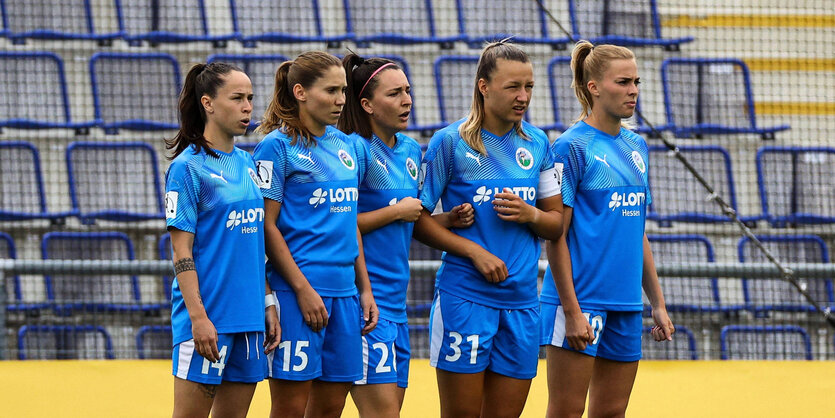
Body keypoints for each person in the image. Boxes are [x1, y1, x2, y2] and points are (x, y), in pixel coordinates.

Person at [417, 41, 564, 417]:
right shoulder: (450, 142)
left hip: (522, 304)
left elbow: (555, 223)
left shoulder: (537, 142)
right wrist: (474, 251)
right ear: (483, 86)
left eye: (529, 86)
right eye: (513, 87)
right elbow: (417, 220)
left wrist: (530, 214)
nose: (523, 96)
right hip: (465, 299)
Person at [539, 41, 675, 418]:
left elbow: (636, 231)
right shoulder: (571, 146)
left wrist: (657, 304)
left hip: (626, 305)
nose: (633, 90)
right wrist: (571, 311)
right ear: (594, 87)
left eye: (636, 81)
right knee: (566, 411)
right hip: (581, 302)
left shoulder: (637, 145)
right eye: (623, 82)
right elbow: (557, 234)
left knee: (612, 412)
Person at [337, 53, 474, 417]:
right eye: (395, 93)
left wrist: (446, 221)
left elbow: (408, 223)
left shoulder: (412, 150)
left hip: (396, 306)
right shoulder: (353, 149)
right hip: (364, 302)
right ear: (366, 104)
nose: (407, 100)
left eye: (408, 91)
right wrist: (398, 210)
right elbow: (341, 224)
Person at [252, 51, 379, 418]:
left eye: (343, 91)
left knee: (331, 407)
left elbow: (348, 222)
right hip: (298, 293)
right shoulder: (276, 147)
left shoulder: (348, 145)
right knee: (290, 408)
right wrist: (302, 290)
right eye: (331, 91)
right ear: (300, 92)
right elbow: (266, 225)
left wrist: (364, 289)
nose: (341, 100)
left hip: (346, 294)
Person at [164, 62, 279, 418]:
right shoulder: (188, 167)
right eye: (237, 98)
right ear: (208, 103)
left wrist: (268, 301)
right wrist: (198, 318)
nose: (248, 107)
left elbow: (251, 247)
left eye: (250, 98)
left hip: (248, 321)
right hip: (208, 321)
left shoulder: (249, 163)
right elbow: (180, 250)